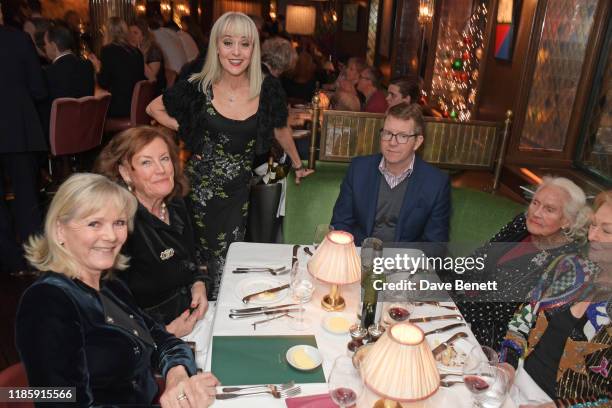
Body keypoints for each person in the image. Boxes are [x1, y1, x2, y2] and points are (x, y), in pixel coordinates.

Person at [146, 12, 313, 298]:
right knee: (195, 267)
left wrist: (297, 165)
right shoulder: (200, 85)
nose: (236, 52)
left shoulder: (267, 87)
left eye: (244, 44)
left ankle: (220, 319)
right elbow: (153, 108)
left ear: (254, 49)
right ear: (217, 47)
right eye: (228, 42)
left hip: (237, 197)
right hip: (196, 195)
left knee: (226, 265)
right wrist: (188, 128)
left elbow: (280, 127)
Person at [15, 173, 218, 407]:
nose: (111, 236)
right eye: (94, 223)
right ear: (60, 231)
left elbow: (159, 338)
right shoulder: (47, 302)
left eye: (119, 223)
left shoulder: (109, 284)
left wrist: (177, 375)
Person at [499, 190, 611, 405]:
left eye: (606, 231)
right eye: (593, 225)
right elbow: (521, 322)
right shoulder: (568, 267)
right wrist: (508, 365)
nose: (592, 236)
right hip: (515, 383)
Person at [94, 126, 208, 337]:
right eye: (146, 162)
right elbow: (109, 311)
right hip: (153, 340)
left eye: (164, 159)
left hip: (192, 317)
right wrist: (163, 334)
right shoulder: (119, 227)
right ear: (126, 172)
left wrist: (198, 282)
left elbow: (194, 253)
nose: (161, 169)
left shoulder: (176, 203)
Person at [456, 177, 592, 349]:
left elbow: (503, 310)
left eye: (549, 209)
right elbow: (478, 258)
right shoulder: (522, 223)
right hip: (462, 308)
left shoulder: (565, 262)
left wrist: (452, 307)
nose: (536, 213)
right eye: (536, 203)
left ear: (567, 221)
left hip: (488, 336)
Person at [331, 102, 450, 245]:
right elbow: (340, 223)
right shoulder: (359, 169)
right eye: (388, 133)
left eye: (402, 136)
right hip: (357, 256)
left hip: (404, 263)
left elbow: (435, 244)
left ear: (417, 142)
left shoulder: (436, 183)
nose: (392, 143)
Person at [0, 12, 46, 275]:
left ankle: (10, 260)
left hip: (17, 127)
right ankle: (34, 258)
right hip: (18, 127)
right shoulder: (19, 40)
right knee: (27, 195)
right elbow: (38, 89)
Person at [41, 24, 95, 130]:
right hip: (86, 130)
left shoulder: (49, 72)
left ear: (53, 45)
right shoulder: (87, 65)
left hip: (60, 133)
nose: (44, 47)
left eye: (45, 44)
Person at [97, 17, 145, 117]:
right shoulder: (136, 51)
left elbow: (103, 83)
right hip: (137, 106)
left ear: (107, 32)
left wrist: (97, 69)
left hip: (120, 108)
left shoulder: (108, 50)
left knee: (93, 110)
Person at [128, 18, 166, 93]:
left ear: (144, 35)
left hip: (153, 92)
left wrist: (137, 54)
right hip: (138, 90)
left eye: (135, 33)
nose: (131, 36)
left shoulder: (153, 50)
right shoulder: (130, 50)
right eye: (129, 33)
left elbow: (152, 78)